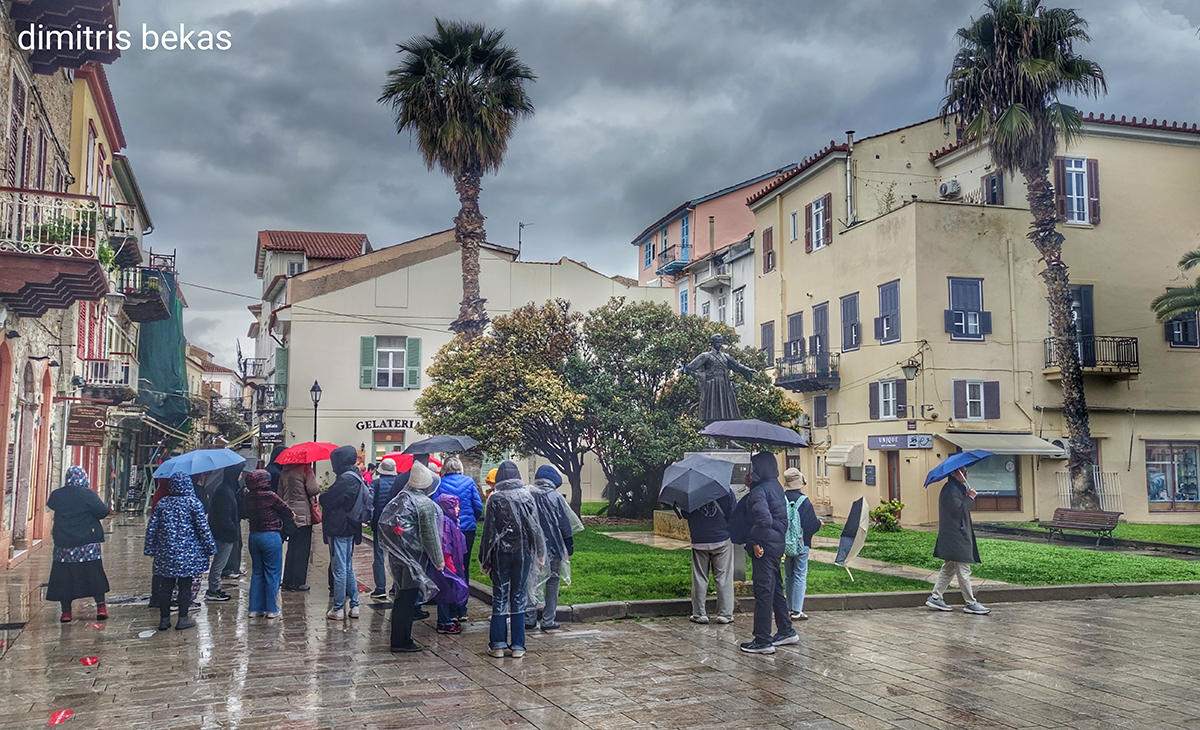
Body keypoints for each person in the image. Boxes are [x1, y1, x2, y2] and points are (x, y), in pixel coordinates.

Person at [729, 453, 795, 654]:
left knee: (763, 591)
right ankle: (785, 630)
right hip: (776, 545)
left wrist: (753, 541)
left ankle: (762, 640)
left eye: (754, 468)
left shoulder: (760, 492)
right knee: (775, 589)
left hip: (763, 547)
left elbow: (764, 520)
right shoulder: (775, 487)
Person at [479, 460, 546, 659]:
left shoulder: (495, 499)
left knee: (499, 596)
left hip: (500, 554)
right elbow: (534, 527)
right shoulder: (527, 497)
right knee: (519, 596)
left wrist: (484, 558)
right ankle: (518, 645)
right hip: (523, 552)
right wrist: (540, 552)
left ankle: (498, 644)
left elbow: (488, 531)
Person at [378, 461, 444, 652]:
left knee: (400, 596)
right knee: (408, 597)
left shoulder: (402, 498)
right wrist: (438, 560)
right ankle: (401, 640)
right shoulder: (424, 504)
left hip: (397, 555)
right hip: (413, 557)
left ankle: (398, 637)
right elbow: (430, 534)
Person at [144, 472, 216, 631]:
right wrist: (211, 547)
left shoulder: (162, 504)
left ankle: (164, 620)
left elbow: (151, 529)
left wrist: (150, 548)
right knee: (185, 585)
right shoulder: (194, 503)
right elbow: (203, 529)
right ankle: (182, 618)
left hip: (166, 552)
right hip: (188, 554)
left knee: (166, 585)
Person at [46, 466, 112, 623]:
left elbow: (51, 505)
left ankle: (66, 612)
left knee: (64, 578)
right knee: (94, 576)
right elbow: (102, 512)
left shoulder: (58, 494)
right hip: (87, 545)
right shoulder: (88, 494)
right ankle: (101, 608)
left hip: (64, 545)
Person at [926, 466, 989, 615]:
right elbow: (957, 511)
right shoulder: (950, 490)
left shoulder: (957, 488)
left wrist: (968, 496)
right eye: (962, 471)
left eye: (966, 471)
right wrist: (970, 498)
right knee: (963, 569)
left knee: (949, 568)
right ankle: (970, 602)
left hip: (956, 535)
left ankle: (936, 596)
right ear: (953, 473)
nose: (966, 474)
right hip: (956, 536)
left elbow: (961, 509)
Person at [680, 478, 735, 626]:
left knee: (699, 577)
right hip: (722, 538)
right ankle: (725, 614)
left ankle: (699, 614)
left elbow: (685, 514)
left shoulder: (691, 493)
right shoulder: (725, 491)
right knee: (723, 577)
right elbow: (732, 512)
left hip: (699, 539)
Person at [526, 466, 574, 632]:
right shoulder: (557, 497)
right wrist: (569, 545)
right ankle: (548, 619)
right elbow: (565, 524)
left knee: (530, 580)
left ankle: (529, 617)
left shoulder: (527, 494)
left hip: (531, 547)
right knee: (553, 581)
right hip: (554, 547)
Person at [320, 445, 365, 620]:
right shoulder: (355, 476)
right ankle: (354, 605)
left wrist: (324, 495)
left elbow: (328, 499)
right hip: (350, 527)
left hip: (340, 527)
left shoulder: (346, 479)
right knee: (347, 567)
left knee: (339, 569)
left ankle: (338, 608)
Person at [437, 456, 484, 620]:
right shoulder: (469, 482)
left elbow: (436, 506)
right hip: (467, 530)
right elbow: (478, 506)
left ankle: (449, 608)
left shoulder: (439, 484)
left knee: (449, 566)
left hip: (447, 530)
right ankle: (461, 608)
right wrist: (472, 519)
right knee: (464, 566)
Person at [245, 469, 295, 618]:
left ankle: (254, 608)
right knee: (272, 573)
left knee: (257, 572)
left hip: (254, 536)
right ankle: (271, 609)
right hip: (270, 536)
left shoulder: (248, 497)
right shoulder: (270, 496)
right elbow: (286, 509)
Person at [683, 334, 758, 423]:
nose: (719, 344)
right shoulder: (706, 356)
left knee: (727, 411)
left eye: (720, 342)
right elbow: (690, 368)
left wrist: (747, 369)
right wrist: (702, 376)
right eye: (717, 342)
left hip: (724, 385)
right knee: (712, 411)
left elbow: (736, 365)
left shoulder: (725, 356)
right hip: (712, 385)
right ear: (712, 343)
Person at [782, 468, 823, 621]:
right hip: (801, 543)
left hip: (786, 543)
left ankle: (789, 605)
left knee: (789, 575)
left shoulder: (781, 498)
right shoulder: (804, 501)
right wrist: (819, 524)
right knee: (800, 574)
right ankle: (797, 610)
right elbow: (811, 525)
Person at [280, 461, 320, 592]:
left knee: (291, 548)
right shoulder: (305, 470)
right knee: (302, 550)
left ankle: (287, 581)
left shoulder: (284, 472)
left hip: (289, 515)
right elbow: (313, 489)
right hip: (303, 515)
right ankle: (298, 582)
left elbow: (279, 494)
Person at [205, 466, 242, 602]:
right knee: (219, 562)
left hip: (223, 532)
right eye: (239, 473)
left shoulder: (228, 489)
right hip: (224, 534)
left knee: (220, 561)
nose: (241, 476)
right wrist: (233, 530)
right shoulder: (224, 491)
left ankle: (214, 587)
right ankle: (213, 590)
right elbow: (225, 515)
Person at [434, 493, 468, 634]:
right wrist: (450, 566)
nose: (458, 510)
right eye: (455, 507)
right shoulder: (445, 523)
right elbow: (445, 546)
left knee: (449, 591)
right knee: (445, 593)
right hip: (447, 567)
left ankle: (447, 618)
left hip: (452, 565)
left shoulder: (451, 522)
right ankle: (444, 621)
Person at [370, 457, 399, 601]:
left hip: (379, 524)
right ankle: (396, 586)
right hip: (395, 525)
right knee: (396, 555)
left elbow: (370, 504)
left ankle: (380, 588)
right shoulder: (400, 483)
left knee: (379, 555)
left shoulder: (375, 484)